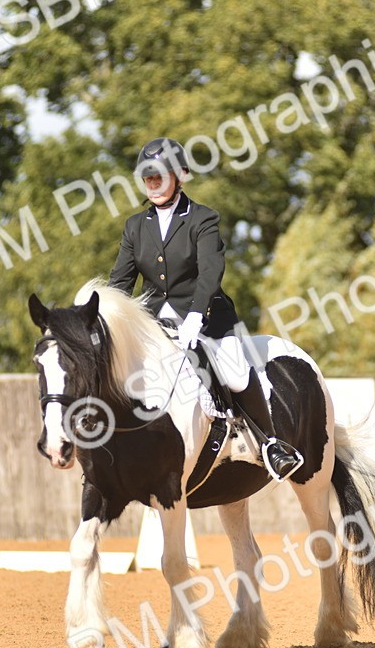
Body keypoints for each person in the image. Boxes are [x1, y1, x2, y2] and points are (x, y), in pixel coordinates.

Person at [108, 137, 303, 481]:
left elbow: (210, 271)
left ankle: (270, 444)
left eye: (159, 177)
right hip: (155, 323)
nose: (152, 184)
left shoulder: (203, 218)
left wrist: (197, 314)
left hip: (206, 316)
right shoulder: (135, 226)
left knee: (236, 373)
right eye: (147, 178)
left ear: (179, 176)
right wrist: (104, 318)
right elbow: (120, 283)